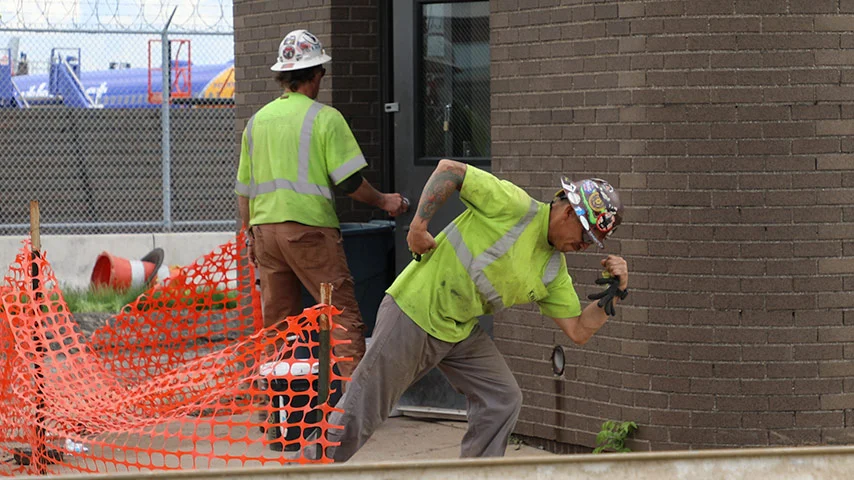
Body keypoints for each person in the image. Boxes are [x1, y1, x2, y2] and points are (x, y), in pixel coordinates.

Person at [323, 159, 629, 461]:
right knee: (360, 413)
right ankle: (307, 469)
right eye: (586, 236)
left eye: (594, 242)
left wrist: (616, 293)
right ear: (567, 213)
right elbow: (450, 170)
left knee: (502, 399)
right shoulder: (514, 206)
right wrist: (418, 225)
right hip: (417, 308)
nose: (586, 247)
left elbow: (577, 330)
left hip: (459, 328)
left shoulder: (553, 269)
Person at [235, 29, 408, 379]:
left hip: (266, 235)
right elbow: (349, 183)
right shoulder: (325, 118)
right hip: (310, 235)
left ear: (283, 76)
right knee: (340, 317)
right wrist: (385, 201)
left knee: (278, 328)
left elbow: (244, 192)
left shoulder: (256, 123)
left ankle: (280, 418)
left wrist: (250, 236)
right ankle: (352, 412)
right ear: (316, 75)